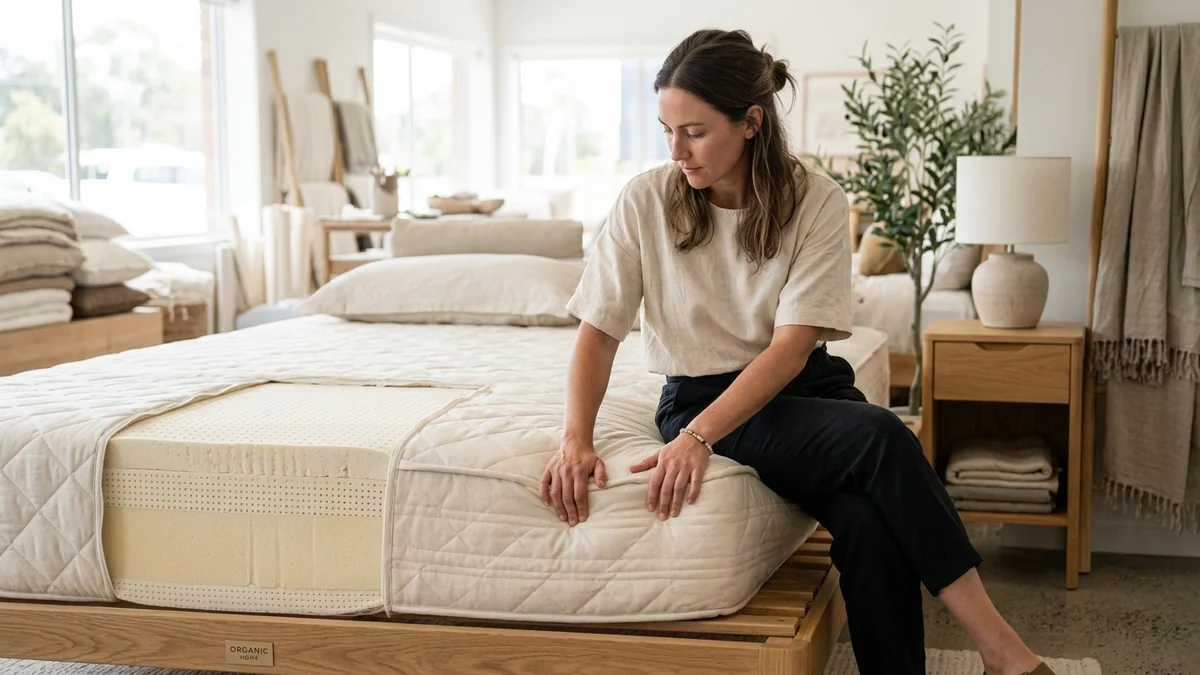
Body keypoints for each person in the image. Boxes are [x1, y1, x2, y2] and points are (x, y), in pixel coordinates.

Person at [537, 27, 1052, 675]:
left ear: (751, 122)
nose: (677, 150)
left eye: (694, 131)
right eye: (666, 129)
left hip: (804, 386)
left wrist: (698, 440)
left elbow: (791, 348)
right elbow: (600, 329)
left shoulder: (815, 199)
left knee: (868, 523)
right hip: (700, 397)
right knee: (883, 435)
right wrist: (575, 437)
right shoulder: (647, 200)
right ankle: (1003, 651)